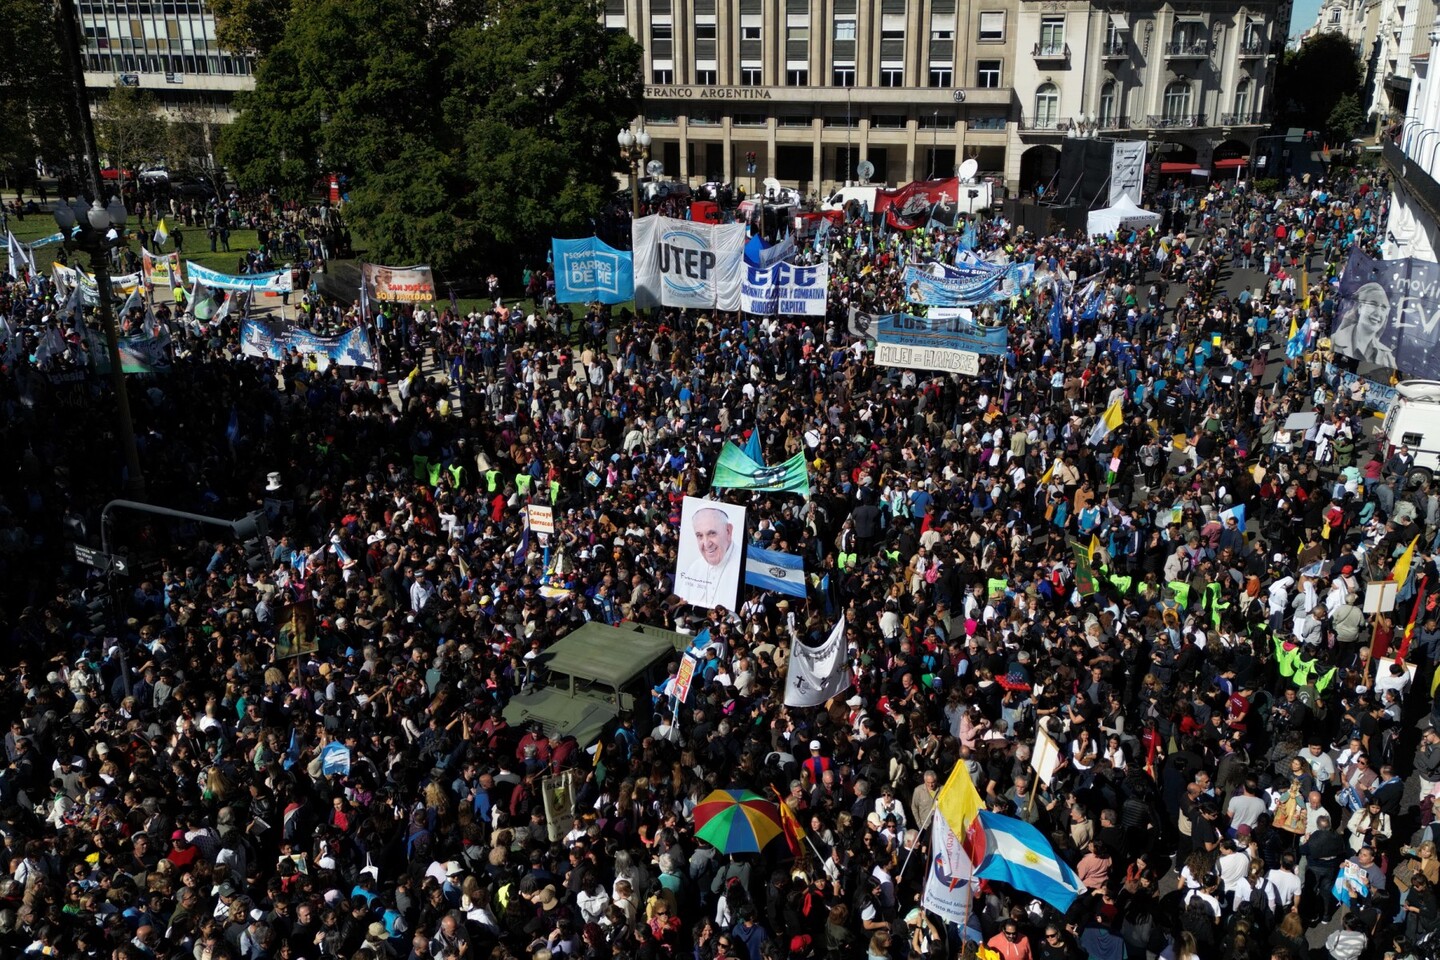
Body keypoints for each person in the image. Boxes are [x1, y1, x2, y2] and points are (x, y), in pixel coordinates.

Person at [677, 506, 740, 608]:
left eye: (712, 533)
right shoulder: (695, 567)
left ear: (728, 531)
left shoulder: (741, 565)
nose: (706, 544)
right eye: (699, 536)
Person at [1331, 281, 1396, 367]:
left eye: (1383, 308)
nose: (1378, 313)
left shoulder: (1387, 357)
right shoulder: (1336, 341)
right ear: (1360, 307)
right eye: (1373, 304)